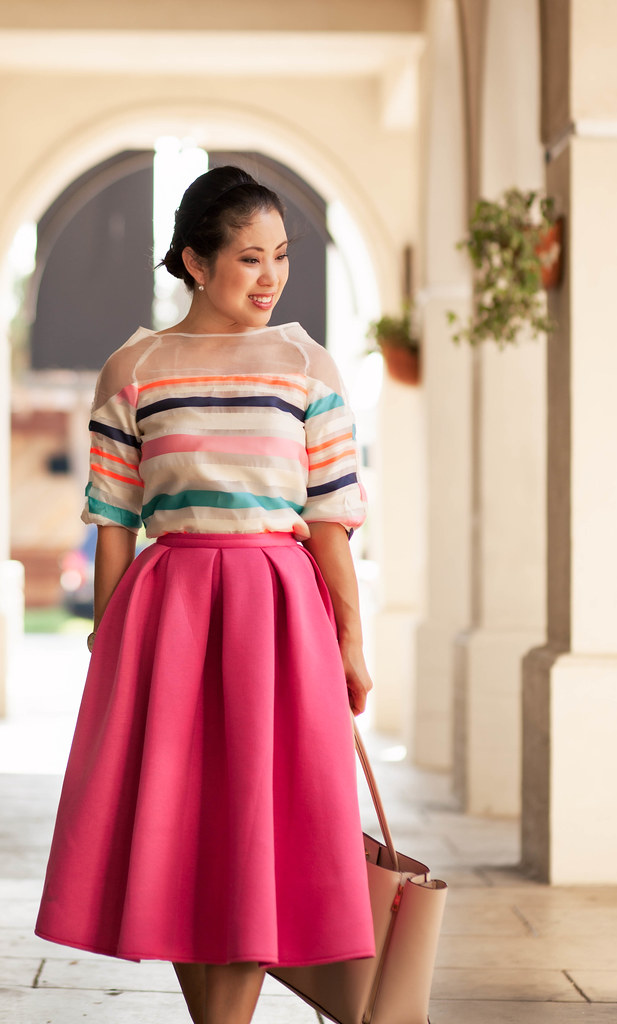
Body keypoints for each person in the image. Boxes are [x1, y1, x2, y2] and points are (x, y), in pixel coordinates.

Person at [35, 165, 376, 1024]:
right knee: (187, 827)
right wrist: (104, 638)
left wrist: (351, 642)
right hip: (168, 616)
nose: (269, 277)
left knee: (259, 821)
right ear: (194, 260)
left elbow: (330, 518)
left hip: (280, 613)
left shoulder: (305, 362)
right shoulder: (135, 366)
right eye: (248, 258)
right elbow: (113, 515)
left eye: (281, 257)